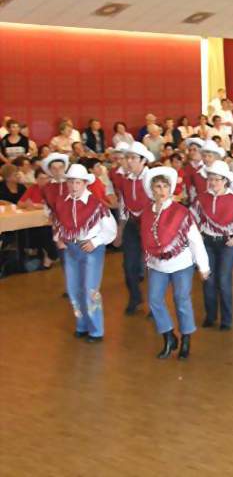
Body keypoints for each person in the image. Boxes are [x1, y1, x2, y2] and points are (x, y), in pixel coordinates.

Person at [140, 167, 210, 359]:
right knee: (154, 299)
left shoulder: (181, 212)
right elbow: (146, 239)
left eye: (164, 186)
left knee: (181, 299)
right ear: (151, 190)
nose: (161, 191)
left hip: (181, 262)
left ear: (170, 189)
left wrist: (203, 266)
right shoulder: (147, 213)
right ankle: (168, 336)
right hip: (157, 264)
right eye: (157, 187)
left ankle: (186, 339)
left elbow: (195, 239)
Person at [54, 164, 117, 342]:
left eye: (78, 183)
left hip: (91, 249)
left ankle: (96, 330)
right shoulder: (63, 202)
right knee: (74, 289)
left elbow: (110, 231)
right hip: (71, 249)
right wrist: (59, 237)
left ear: (85, 184)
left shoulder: (95, 204)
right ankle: (81, 324)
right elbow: (59, 224)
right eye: (71, 182)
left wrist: (95, 241)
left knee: (90, 289)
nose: (74, 187)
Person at [192, 161, 233, 330]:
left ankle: (227, 319)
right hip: (207, 242)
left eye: (217, 179)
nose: (213, 183)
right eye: (210, 179)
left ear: (225, 180)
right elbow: (191, 218)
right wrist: (197, 237)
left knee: (224, 280)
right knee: (208, 279)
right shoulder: (201, 198)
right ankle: (210, 315)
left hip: (227, 243)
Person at [113, 142, 155, 315]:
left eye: (133, 158)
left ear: (143, 160)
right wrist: (120, 229)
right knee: (129, 265)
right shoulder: (125, 180)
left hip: (151, 226)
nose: (129, 161)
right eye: (127, 158)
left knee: (153, 266)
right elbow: (124, 205)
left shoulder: (151, 178)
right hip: (132, 224)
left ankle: (155, 304)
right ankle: (135, 296)